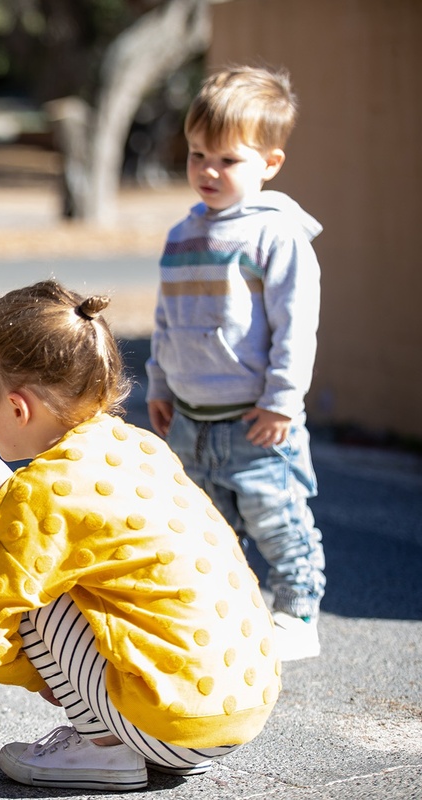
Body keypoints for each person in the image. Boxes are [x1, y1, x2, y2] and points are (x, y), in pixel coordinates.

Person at [0, 280, 279, 792]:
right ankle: (146, 741)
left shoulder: (43, 492)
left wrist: (35, 673)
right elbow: (63, 514)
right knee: (66, 573)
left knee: (31, 599)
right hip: (231, 708)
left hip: (170, 722)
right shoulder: (138, 447)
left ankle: (103, 749)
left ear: (18, 409)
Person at [145, 65, 325, 661]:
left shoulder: (277, 236)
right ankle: (231, 614)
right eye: (198, 155)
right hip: (192, 420)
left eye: (228, 159)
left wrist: (281, 400)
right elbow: (168, 319)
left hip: (256, 421)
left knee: (278, 521)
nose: (208, 171)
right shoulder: (182, 236)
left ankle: (298, 613)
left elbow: (295, 325)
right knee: (209, 532)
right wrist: (161, 385)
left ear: (269, 163)